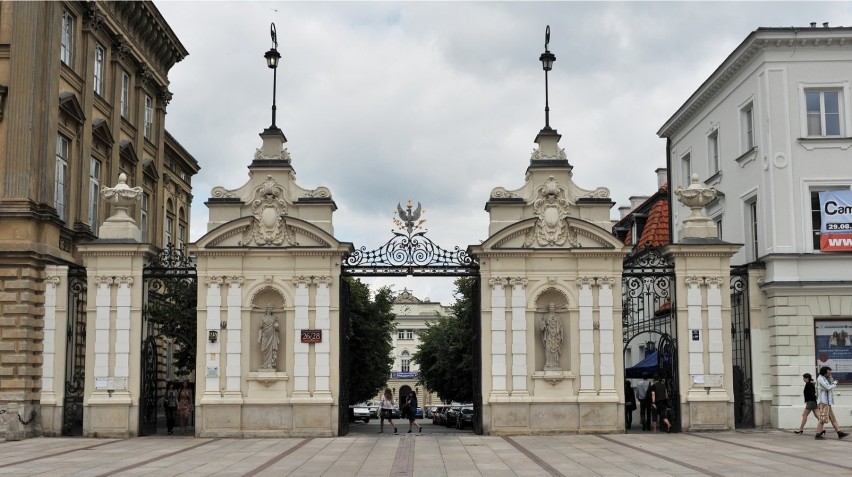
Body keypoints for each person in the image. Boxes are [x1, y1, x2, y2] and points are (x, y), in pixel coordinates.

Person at [815, 366, 848, 440]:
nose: (830, 374)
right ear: (824, 373)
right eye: (828, 373)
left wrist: (831, 379)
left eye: (830, 372)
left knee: (833, 418)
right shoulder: (820, 379)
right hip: (823, 402)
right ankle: (818, 434)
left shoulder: (826, 378)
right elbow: (827, 387)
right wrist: (835, 383)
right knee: (822, 419)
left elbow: (831, 383)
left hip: (827, 402)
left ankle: (839, 433)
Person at [540, 303, 564, 370]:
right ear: (548, 308)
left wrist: (561, 336)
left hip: (556, 336)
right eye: (550, 307)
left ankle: (555, 364)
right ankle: (548, 364)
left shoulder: (557, 316)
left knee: (555, 350)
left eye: (553, 307)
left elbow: (561, 326)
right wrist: (543, 326)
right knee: (548, 349)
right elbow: (542, 326)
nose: (552, 308)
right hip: (548, 335)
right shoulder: (545, 316)